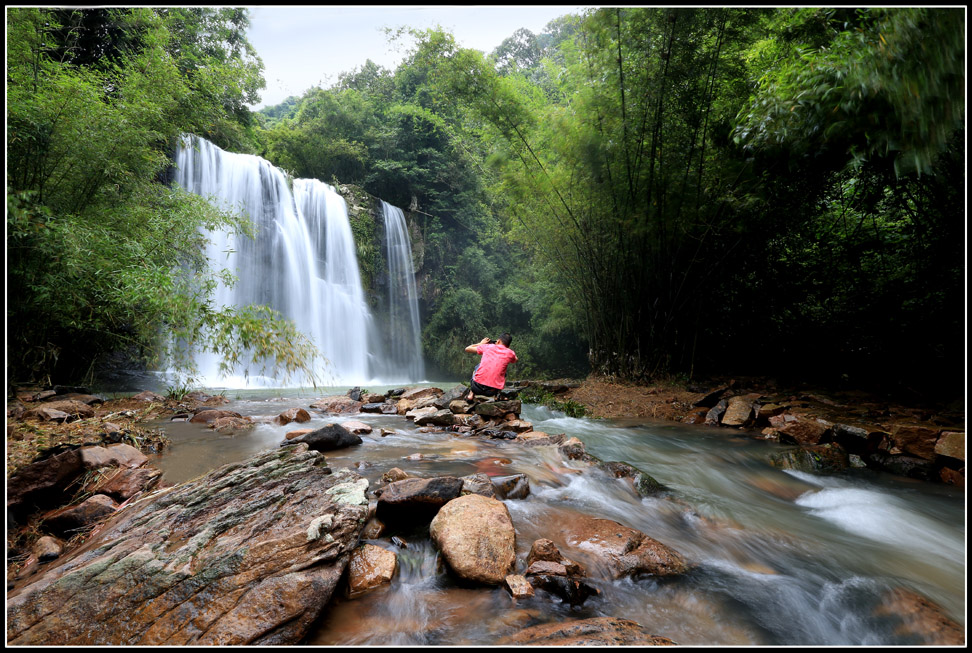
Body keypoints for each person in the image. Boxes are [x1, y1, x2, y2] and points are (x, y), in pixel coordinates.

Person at [464, 332, 517, 401]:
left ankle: (471, 395)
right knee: (504, 373)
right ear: (508, 345)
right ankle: (497, 395)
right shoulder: (510, 353)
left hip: (476, 388)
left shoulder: (488, 346)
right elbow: (515, 359)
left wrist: (481, 343)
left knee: (478, 366)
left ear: (498, 341)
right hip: (492, 392)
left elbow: (467, 349)